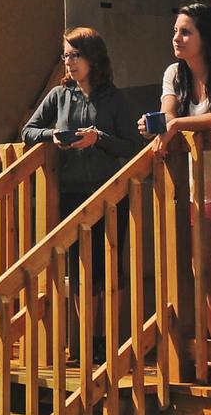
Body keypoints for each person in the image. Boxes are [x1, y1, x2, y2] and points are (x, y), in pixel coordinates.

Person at [22, 27, 136, 362]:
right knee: (78, 269)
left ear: (93, 57)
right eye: (66, 56)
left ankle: (106, 340)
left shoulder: (113, 98)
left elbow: (131, 145)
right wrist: (53, 135)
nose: (69, 62)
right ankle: (84, 340)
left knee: (106, 269)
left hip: (109, 193)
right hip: (71, 193)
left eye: (75, 55)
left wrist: (98, 138)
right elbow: (28, 130)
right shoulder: (59, 96)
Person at [140, 4, 211, 334]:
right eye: (175, 31)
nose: (177, 38)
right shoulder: (175, 73)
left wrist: (177, 124)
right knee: (201, 268)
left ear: (205, 36)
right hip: (193, 185)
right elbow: (166, 115)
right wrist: (153, 126)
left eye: (186, 32)